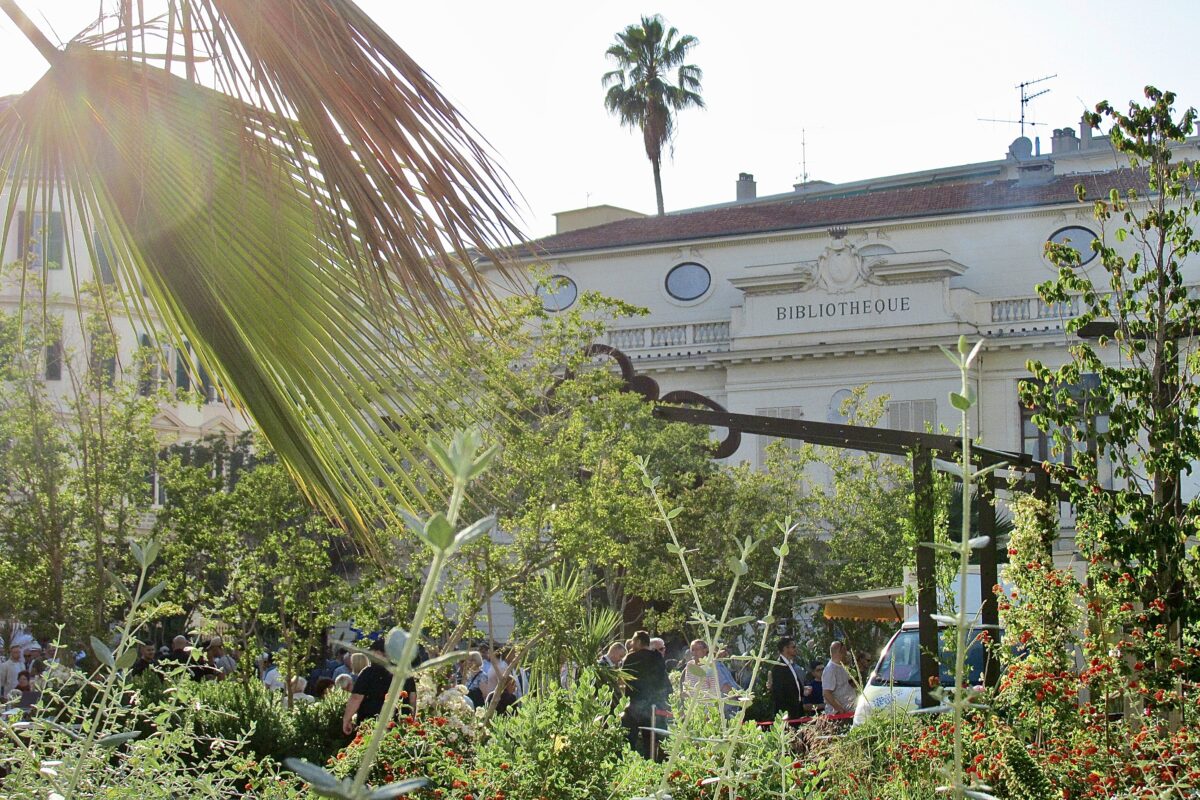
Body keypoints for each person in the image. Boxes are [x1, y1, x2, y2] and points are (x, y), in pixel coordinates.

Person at [620, 630, 671, 758]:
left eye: (633, 641)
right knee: (652, 738)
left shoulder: (631, 658)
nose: (631, 644)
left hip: (636, 704)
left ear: (638, 641)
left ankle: (628, 759)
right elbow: (662, 678)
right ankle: (653, 762)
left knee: (629, 737)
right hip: (655, 703)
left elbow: (625, 679)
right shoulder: (657, 657)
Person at [342, 639, 391, 735]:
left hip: (371, 721)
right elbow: (412, 698)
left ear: (378, 653)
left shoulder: (369, 672)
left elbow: (356, 698)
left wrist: (346, 719)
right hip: (395, 720)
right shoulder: (401, 673)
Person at [769, 637, 804, 723]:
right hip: (787, 713)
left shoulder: (789, 665)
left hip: (796, 709)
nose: (795, 649)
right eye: (793, 647)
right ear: (785, 649)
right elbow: (778, 694)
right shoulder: (778, 667)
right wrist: (785, 715)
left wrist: (801, 689)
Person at [822, 641, 857, 716]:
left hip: (850, 710)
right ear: (840, 652)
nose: (846, 654)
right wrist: (840, 710)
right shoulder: (830, 670)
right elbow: (827, 693)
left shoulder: (842, 666)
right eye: (845, 651)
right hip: (839, 714)